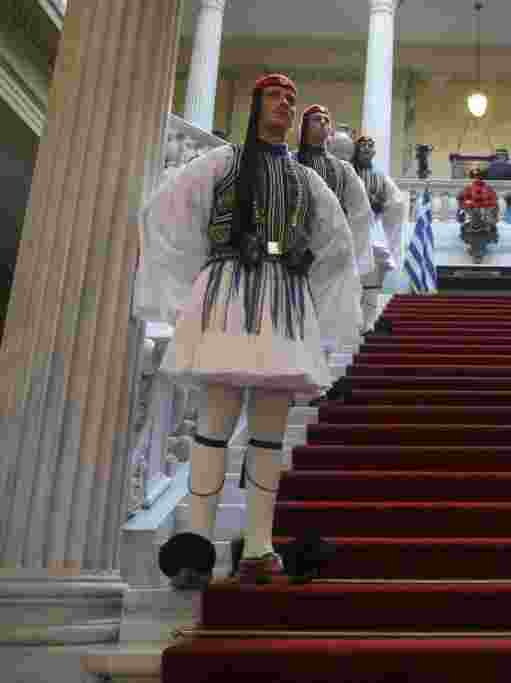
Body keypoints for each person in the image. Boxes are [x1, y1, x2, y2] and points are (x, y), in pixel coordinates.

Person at [135, 74, 362, 588]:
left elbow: (340, 244)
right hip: (231, 290)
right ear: (256, 104)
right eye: (276, 96)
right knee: (214, 425)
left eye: (291, 98)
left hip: (282, 299)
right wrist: (192, 286)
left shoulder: (308, 181)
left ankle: (259, 547)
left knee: (268, 433)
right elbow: (167, 214)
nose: (284, 104)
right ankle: (196, 544)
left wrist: (317, 296)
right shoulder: (221, 163)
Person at [296, 104, 373, 330]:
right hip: (295, 247)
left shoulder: (343, 169)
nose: (322, 123)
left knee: (327, 319)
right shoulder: (289, 161)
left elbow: (361, 212)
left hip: (331, 251)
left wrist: (351, 250)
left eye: (325, 120)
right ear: (303, 126)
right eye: (316, 119)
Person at [351, 135, 409, 332]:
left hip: (370, 231)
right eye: (363, 146)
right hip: (348, 232)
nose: (367, 150)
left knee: (373, 275)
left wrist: (383, 204)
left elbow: (396, 202)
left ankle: (368, 322)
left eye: (370, 146)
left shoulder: (380, 177)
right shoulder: (347, 172)